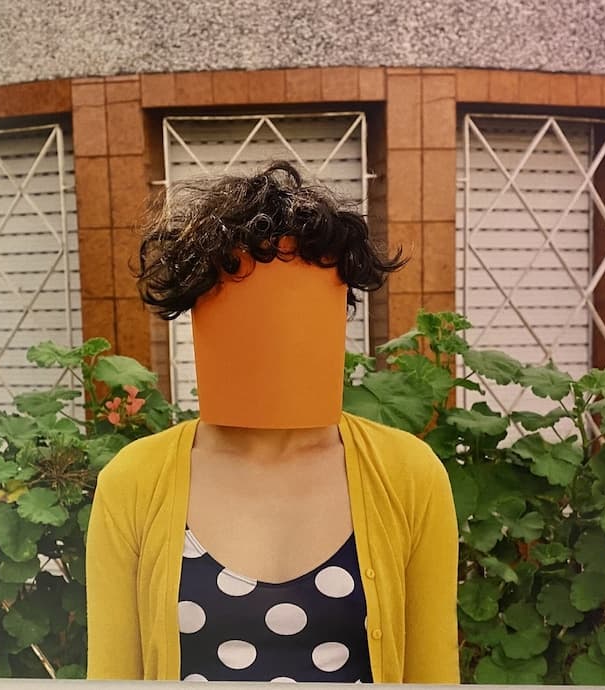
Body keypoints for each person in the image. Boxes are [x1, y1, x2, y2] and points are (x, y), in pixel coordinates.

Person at [86, 161, 459, 683]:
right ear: (197, 311)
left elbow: (433, 675)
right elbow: (111, 678)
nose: (275, 336)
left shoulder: (408, 476)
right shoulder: (133, 482)